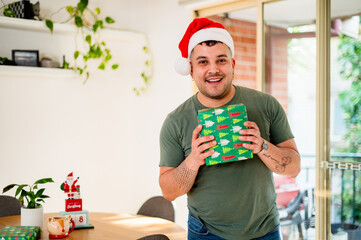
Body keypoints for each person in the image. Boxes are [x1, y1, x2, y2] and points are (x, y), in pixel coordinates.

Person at [159, 18, 300, 240]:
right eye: (203, 62)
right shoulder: (176, 121)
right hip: (206, 233)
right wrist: (194, 160)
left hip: (265, 231)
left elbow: (294, 169)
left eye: (221, 60)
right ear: (191, 69)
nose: (213, 70)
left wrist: (262, 146)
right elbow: (168, 192)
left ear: (233, 64)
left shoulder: (266, 105)